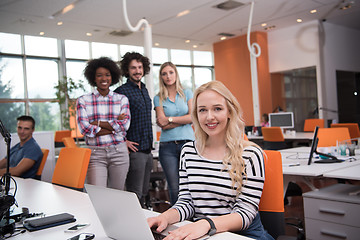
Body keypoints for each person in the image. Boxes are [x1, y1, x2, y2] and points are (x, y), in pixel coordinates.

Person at [148, 81, 273, 240]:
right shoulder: (188, 151)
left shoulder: (250, 154)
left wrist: (206, 224)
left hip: (242, 235)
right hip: (203, 234)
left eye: (217, 109)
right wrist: (164, 217)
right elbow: (186, 202)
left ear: (229, 111)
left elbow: (245, 214)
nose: (209, 117)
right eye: (202, 110)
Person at [76, 57, 130, 190]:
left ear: (112, 77)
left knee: (118, 195)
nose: (103, 78)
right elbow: (85, 129)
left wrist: (97, 123)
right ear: (93, 78)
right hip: (96, 154)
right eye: (99, 75)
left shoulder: (122, 99)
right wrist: (114, 126)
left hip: (119, 152)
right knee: (97, 195)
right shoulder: (83, 100)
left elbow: (124, 126)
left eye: (107, 75)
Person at [114, 52, 153, 206]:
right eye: (133, 68)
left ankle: (144, 225)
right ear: (127, 70)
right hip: (135, 151)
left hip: (148, 148)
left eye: (140, 67)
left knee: (143, 192)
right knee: (134, 194)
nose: (137, 71)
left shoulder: (144, 89)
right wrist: (123, 141)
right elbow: (113, 121)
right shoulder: (121, 92)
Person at [153, 62, 194, 205]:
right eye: (164, 74)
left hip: (188, 144)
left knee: (191, 184)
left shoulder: (187, 93)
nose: (168, 76)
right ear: (161, 77)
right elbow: (161, 123)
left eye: (170, 72)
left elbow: (192, 117)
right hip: (167, 147)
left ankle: (194, 218)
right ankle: (179, 219)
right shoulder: (158, 98)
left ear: (176, 74)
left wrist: (170, 119)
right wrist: (184, 120)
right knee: (174, 187)